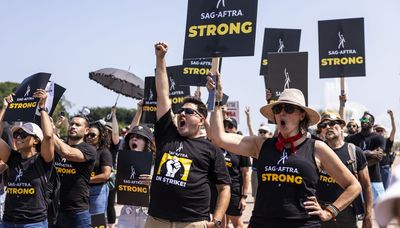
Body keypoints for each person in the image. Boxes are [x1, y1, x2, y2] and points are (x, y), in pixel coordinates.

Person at [209, 74, 361, 227]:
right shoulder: (261, 144)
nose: (282, 113)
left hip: (302, 224)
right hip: (262, 223)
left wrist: (329, 211)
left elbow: (354, 186)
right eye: (277, 109)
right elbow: (218, 138)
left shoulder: (317, 148)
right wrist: (216, 99)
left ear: (302, 115)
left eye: (288, 109)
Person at [144, 42, 231, 228]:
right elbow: (163, 94)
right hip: (156, 221)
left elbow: (224, 188)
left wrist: (215, 221)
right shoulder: (167, 133)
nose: (182, 113)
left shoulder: (211, 149)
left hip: (193, 224)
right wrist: (160, 59)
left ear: (201, 120)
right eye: (181, 110)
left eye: (189, 112)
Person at [0, 89, 54, 227]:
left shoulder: (43, 160)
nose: (18, 137)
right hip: (8, 222)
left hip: (33, 223)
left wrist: (42, 108)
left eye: (24, 134)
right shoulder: (13, 157)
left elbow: (48, 136)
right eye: (17, 135)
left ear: (36, 140)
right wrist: (5, 108)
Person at [316, 112, 373, 228]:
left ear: (342, 126)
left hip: (346, 213)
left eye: (332, 123)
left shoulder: (354, 152)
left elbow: (366, 186)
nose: (327, 127)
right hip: (319, 212)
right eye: (323, 125)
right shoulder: (316, 151)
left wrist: (368, 216)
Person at [52, 114, 97, 227]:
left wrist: (50, 132)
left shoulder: (89, 149)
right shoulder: (60, 145)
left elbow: (67, 153)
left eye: (77, 125)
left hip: (77, 211)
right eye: (71, 124)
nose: (73, 126)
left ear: (86, 130)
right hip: (55, 209)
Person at [213, 117, 251, 228]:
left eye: (230, 126)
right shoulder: (217, 146)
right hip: (217, 189)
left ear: (235, 129)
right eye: (224, 126)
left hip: (233, 190)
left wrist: (243, 197)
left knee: (237, 224)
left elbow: (246, 174)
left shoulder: (241, 148)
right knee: (219, 224)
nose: (226, 128)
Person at [117, 125, 155, 228]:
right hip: (127, 212)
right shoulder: (123, 160)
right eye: (132, 136)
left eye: (139, 137)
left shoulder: (156, 163)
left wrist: (154, 182)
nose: (134, 138)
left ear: (147, 142)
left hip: (147, 214)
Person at [346, 111, 386, 205]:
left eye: (366, 119)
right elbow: (349, 155)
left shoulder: (378, 138)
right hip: (356, 180)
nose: (363, 121)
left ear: (372, 123)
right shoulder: (352, 139)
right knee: (358, 211)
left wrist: (358, 163)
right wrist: (369, 153)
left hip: (374, 180)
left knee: (381, 210)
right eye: (362, 119)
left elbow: (377, 158)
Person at [86, 122, 112, 215]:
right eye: (87, 134)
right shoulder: (81, 150)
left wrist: (86, 180)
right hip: (82, 190)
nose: (89, 137)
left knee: (97, 221)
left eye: (92, 135)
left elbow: (106, 175)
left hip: (98, 191)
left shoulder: (104, 152)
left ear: (100, 137)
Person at [375, 110, 396, 190]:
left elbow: (393, 130)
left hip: (385, 169)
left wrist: (392, 117)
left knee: (386, 189)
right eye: (378, 130)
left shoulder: (387, 141)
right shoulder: (372, 141)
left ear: (384, 132)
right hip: (375, 168)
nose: (380, 132)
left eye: (381, 130)